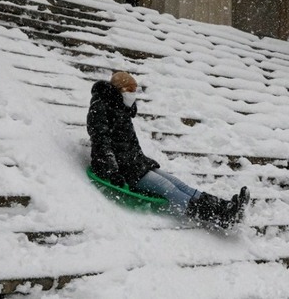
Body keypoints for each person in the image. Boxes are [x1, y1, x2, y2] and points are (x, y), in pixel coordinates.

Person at [87, 71, 249, 229]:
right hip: (123, 169)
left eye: (134, 90)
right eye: (130, 90)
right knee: (168, 187)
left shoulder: (121, 109)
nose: (133, 94)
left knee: (179, 184)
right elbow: (101, 142)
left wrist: (142, 161)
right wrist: (112, 171)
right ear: (118, 90)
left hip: (136, 163)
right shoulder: (101, 108)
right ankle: (220, 217)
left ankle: (225, 207)